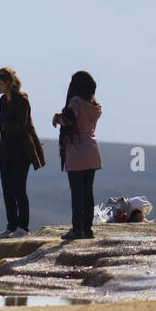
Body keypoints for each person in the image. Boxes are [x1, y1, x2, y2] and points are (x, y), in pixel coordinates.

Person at [0, 67, 39, 238]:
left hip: (21, 152)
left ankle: (23, 227)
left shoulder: (22, 101)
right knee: (7, 189)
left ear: (8, 83)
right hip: (6, 151)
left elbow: (21, 126)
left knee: (19, 189)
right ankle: (11, 225)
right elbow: (6, 126)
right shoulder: (3, 101)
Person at [54, 70, 102, 241]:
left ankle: (77, 229)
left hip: (77, 151)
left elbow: (69, 120)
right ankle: (87, 228)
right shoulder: (94, 104)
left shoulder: (76, 102)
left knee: (77, 193)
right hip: (92, 149)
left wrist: (58, 118)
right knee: (88, 192)